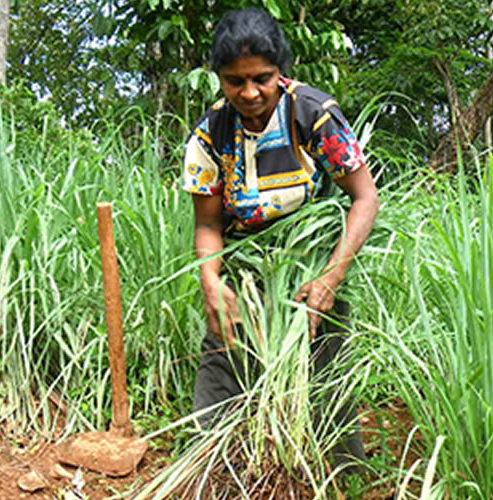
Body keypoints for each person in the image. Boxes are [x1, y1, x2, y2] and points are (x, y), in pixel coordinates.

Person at [181, 7, 378, 467]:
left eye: (262, 78)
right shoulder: (210, 135)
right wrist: (212, 281)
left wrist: (330, 277)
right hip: (245, 267)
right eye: (235, 81)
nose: (250, 93)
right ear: (220, 80)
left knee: (324, 364)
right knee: (224, 359)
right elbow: (208, 224)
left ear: (280, 71)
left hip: (314, 262)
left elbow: (364, 199)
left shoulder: (312, 114)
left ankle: (337, 473)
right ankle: (211, 469)